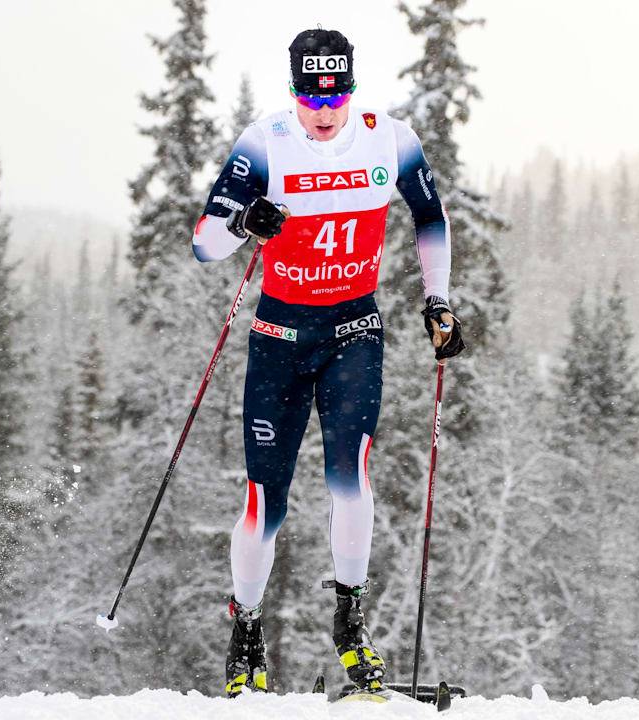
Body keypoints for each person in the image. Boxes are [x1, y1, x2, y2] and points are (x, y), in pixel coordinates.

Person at [192, 27, 464, 697]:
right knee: (264, 501)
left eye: (335, 92)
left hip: (353, 330)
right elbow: (205, 243)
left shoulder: (387, 138)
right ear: (294, 93)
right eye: (310, 95)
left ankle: (350, 624)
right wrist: (244, 220)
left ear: (349, 86)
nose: (323, 109)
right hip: (279, 337)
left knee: (352, 479)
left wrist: (438, 303)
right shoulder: (264, 142)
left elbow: (430, 216)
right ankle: (246, 628)